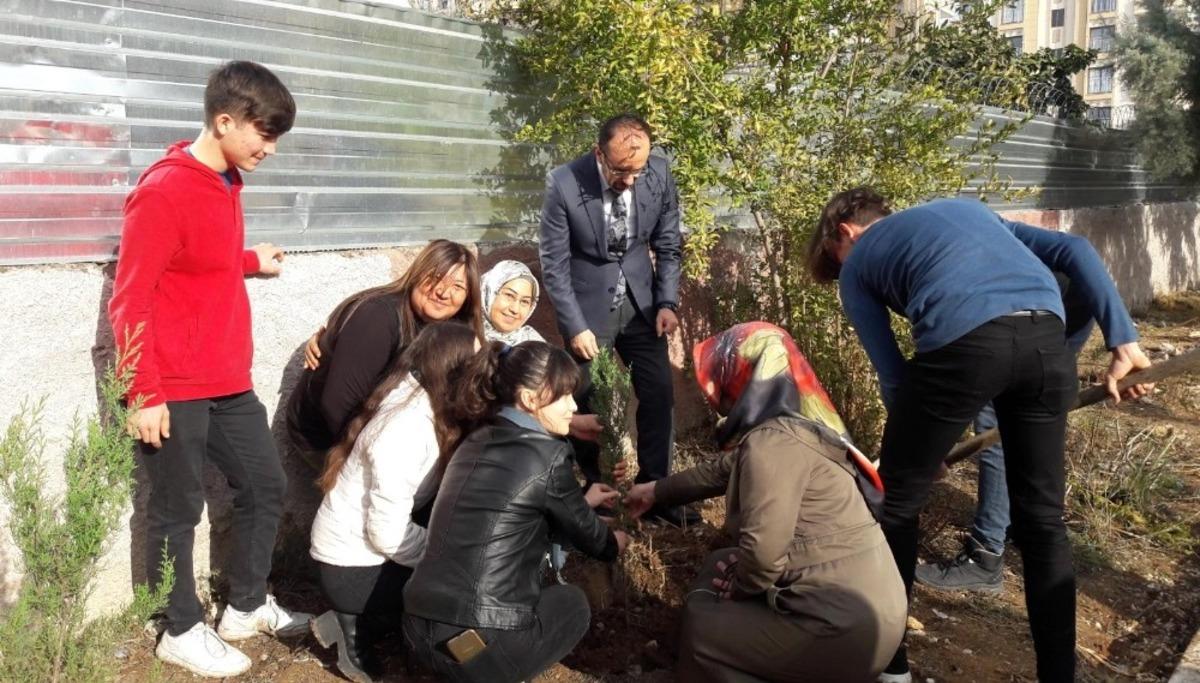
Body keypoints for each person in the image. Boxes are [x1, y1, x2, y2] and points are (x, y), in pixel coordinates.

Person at [807, 188, 1153, 683]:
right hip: (1046, 346)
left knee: (896, 505)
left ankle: (892, 668)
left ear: (845, 233)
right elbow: (1075, 251)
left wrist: (922, 448)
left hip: (966, 348)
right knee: (1043, 523)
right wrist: (1123, 338)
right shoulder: (966, 209)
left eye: (836, 261)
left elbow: (896, 377)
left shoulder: (860, 266)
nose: (843, 270)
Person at [108, 61, 311, 678]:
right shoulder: (165, 189)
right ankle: (180, 628)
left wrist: (250, 260)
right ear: (224, 121)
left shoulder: (225, 181)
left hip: (227, 379)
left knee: (265, 485)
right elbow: (131, 297)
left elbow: (196, 259)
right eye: (262, 135)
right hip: (171, 386)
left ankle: (244, 607)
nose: (269, 150)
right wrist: (141, 392)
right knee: (177, 510)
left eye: (275, 138)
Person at [625, 322, 907, 682]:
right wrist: (653, 492)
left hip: (841, 632)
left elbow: (762, 556)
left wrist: (736, 591)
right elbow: (719, 472)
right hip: (870, 614)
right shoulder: (798, 426)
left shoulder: (771, 444)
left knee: (700, 626)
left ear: (743, 377)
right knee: (717, 563)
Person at [402, 341, 629, 683]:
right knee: (573, 603)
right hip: (483, 644)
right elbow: (594, 541)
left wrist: (584, 504)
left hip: (416, 631)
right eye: (563, 396)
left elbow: (513, 513)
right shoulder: (547, 454)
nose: (572, 406)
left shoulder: (476, 438)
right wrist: (614, 541)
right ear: (527, 399)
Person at [538, 112, 696, 527]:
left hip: (644, 306)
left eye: (638, 171)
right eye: (621, 171)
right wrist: (574, 325)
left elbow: (667, 243)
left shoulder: (658, 172)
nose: (631, 180)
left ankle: (657, 490)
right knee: (590, 401)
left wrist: (667, 302)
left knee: (660, 393)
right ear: (598, 154)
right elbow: (553, 263)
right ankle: (599, 492)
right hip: (589, 311)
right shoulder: (565, 183)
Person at [308, 322, 480, 683]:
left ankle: (356, 618)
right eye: (476, 364)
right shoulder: (406, 430)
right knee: (456, 589)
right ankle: (352, 631)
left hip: (361, 552)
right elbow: (387, 533)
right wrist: (445, 560)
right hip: (352, 566)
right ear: (453, 369)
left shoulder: (421, 399)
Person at [915, 274, 1098, 593]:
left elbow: (950, 365)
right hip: (1063, 301)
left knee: (996, 414)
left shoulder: (954, 276)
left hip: (1047, 306)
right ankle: (1017, 522)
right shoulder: (987, 247)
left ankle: (985, 556)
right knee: (1028, 409)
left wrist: (929, 445)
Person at [285, 239, 483, 465]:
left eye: (458, 287)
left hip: (388, 432)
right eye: (435, 277)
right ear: (417, 273)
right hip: (330, 439)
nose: (443, 292)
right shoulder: (377, 317)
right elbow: (338, 405)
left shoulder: (455, 331)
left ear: (468, 297)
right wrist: (378, 461)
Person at [480, 259, 545, 344]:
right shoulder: (462, 338)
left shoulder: (535, 347)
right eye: (509, 295)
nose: (515, 309)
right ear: (489, 293)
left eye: (524, 301)